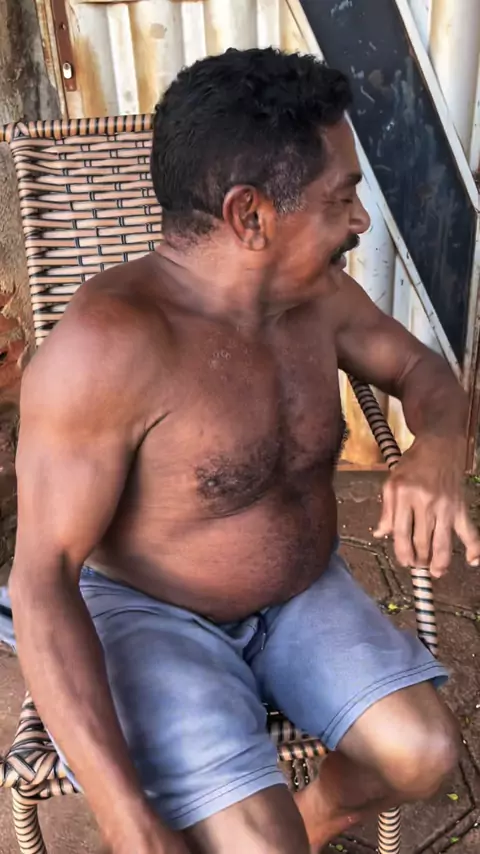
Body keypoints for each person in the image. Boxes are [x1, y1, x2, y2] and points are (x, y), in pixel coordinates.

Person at [10, 48, 478, 854]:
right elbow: (42, 578)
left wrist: (436, 445)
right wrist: (127, 824)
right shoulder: (108, 349)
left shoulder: (320, 298)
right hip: (151, 613)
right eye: (342, 198)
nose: (360, 222)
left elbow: (422, 372)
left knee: (425, 754)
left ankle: (312, 818)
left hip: (299, 595)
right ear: (250, 215)